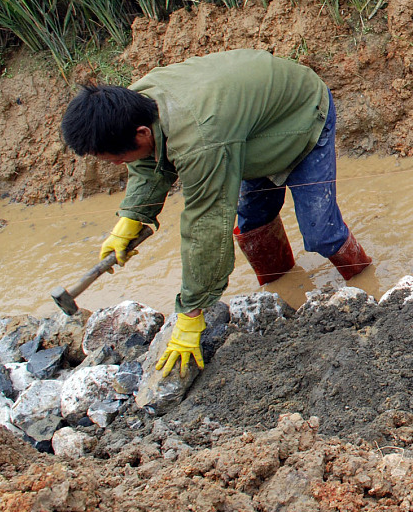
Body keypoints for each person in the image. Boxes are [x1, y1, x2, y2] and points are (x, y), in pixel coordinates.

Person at [60, 49, 372, 376]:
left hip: (303, 116)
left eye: (115, 158)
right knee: (253, 225)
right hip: (245, 131)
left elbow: (206, 228)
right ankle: (285, 293)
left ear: (141, 134)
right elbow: (147, 166)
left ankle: (367, 284)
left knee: (320, 231)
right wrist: (132, 217)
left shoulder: (200, 137)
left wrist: (191, 313)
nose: (116, 165)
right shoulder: (131, 107)